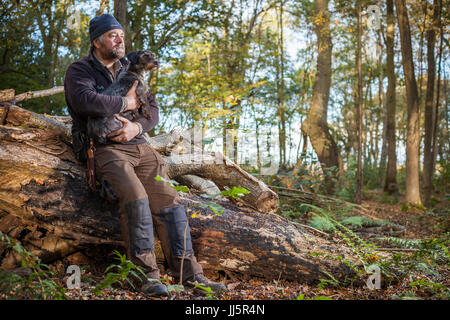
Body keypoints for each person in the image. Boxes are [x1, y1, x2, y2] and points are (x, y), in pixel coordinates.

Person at [64, 14, 226, 297]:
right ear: (96, 41)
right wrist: (125, 102)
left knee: (172, 203)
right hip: (104, 148)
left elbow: (152, 109)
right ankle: (146, 277)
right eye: (113, 35)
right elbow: (85, 101)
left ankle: (192, 277)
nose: (120, 40)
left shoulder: (130, 68)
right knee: (136, 198)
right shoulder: (80, 70)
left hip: (140, 146)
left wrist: (136, 126)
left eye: (122, 35)